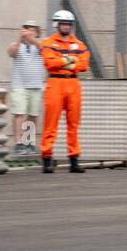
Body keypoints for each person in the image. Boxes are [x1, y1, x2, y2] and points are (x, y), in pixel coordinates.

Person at [39, 9, 89, 173]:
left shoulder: (80, 44)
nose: (66, 26)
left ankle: (74, 160)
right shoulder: (47, 42)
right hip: (55, 82)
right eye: (63, 23)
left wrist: (62, 60)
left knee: (73, 124)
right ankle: (47, 158)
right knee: (50, 123)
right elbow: (49, 63)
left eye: (68, 24)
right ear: (57, 25)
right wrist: (71, 60)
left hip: (73, 84)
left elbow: (83, 65)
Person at [6, 21, 44, 156]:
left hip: (36, 86)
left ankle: (28, 142)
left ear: (37, 32)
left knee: (33, 115)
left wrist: (32, 40)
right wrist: (20, 39)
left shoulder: (41, 45)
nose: (29, 32)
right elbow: (11, 52)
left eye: (32, 30)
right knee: (19, 114)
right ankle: (18, 143)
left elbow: (45, 50)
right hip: (19, 86)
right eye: (26, 29)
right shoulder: (16, 45)